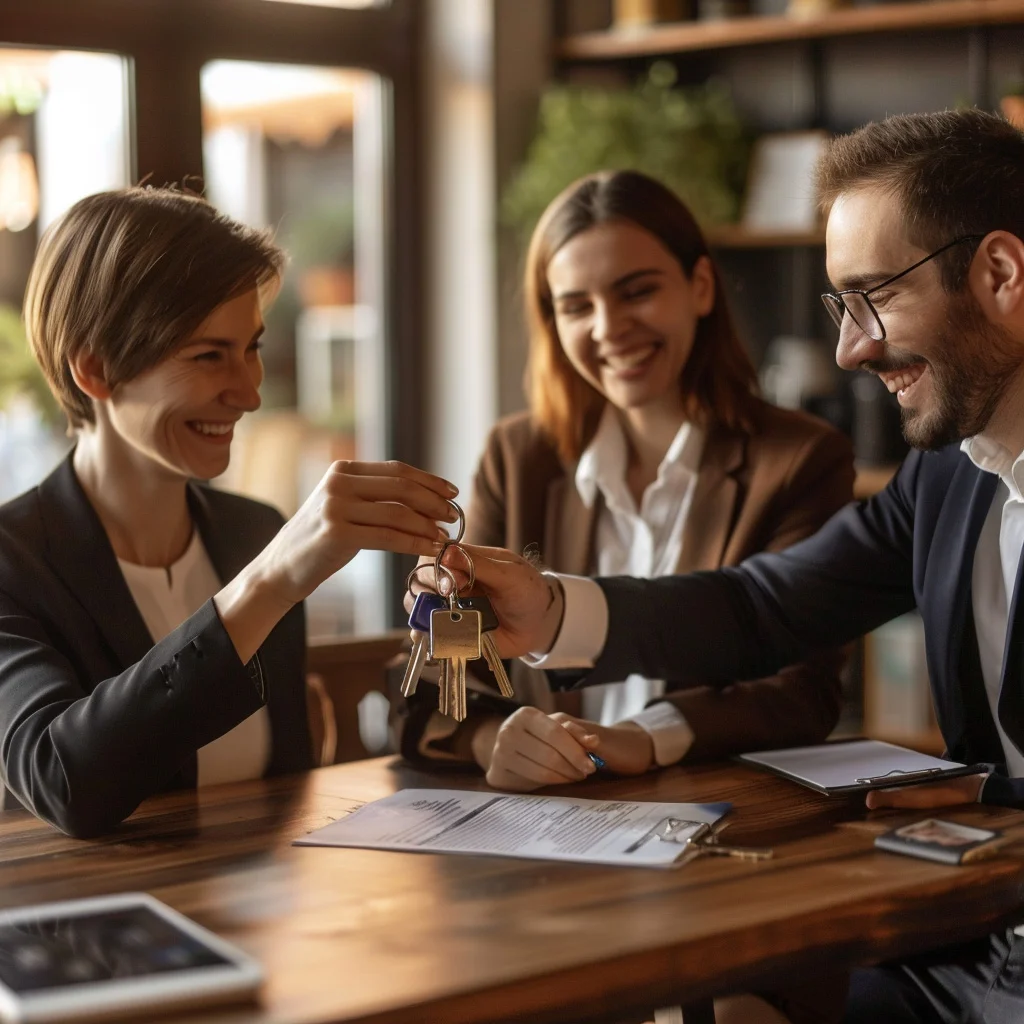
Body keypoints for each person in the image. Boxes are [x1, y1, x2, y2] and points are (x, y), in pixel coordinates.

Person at [439, 109, 1024, 1024]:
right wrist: (550, 610)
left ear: (999, 274)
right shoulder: (946, 474)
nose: (851, 348)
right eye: (842, 306)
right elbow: (765, 607)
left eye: (876, 295)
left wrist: (986, 790)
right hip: (955, 945)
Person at [0, 186, 456, 839]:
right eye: (209, 355)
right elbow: (65, 779)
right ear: (95, 370)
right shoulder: (14, 564)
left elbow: (286, 794)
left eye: (252, 347)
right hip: (86, 931)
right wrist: (268, 582)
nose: (249, 391)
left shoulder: (253, 531)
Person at [401, 170, 854, 800]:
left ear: (699, 288)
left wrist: (647, 737)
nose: (609, 327)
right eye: (577, 306)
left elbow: (803, 690)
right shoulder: (517, 456)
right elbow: (431, 679)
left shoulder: (801, 458)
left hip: (711, 821)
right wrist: (495, 744)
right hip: (545, 824)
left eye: (636, 291)